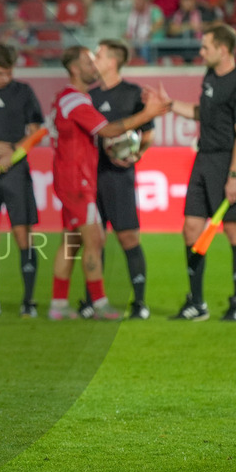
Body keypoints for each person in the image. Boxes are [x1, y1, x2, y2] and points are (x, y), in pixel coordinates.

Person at [47, 46, 168, 321]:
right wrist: (148, 114)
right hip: (78, 182)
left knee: (72, 241)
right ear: (76, 69)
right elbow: (109, 130)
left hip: (72, 179)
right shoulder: (74, 100)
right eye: (89, 63)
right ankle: (99, 304)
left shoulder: (72, 99)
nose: (94, 68)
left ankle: (58, 305)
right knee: (95, 239)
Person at [159, 24, 236, 323]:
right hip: (203, 159)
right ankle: (197, 303)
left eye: (206, 47)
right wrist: (171, 105)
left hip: (228, 162)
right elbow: (205, 112)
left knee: (234, 229)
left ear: (223, 49)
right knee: (190, 228)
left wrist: (235, 176)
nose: (201, 52)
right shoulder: (211, 76)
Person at [80, 39, 154, 320]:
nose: (94, 59)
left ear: (112, 61)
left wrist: (137, 155)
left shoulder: (134, 94)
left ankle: (140, 303)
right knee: (93, 240)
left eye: (98, 55)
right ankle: (92, 301)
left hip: (119, 177)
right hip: (92, 178)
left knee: (128, 238)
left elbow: (148, 134)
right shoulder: (89, 96)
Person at [0, 43, 43, 319]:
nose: (6, 77)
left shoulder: (23, 92)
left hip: (16, 173)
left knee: (23, 234)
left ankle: (29, 301)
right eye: (1, 72)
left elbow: (38, 132)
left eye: (10, 72)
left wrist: (14, 155)